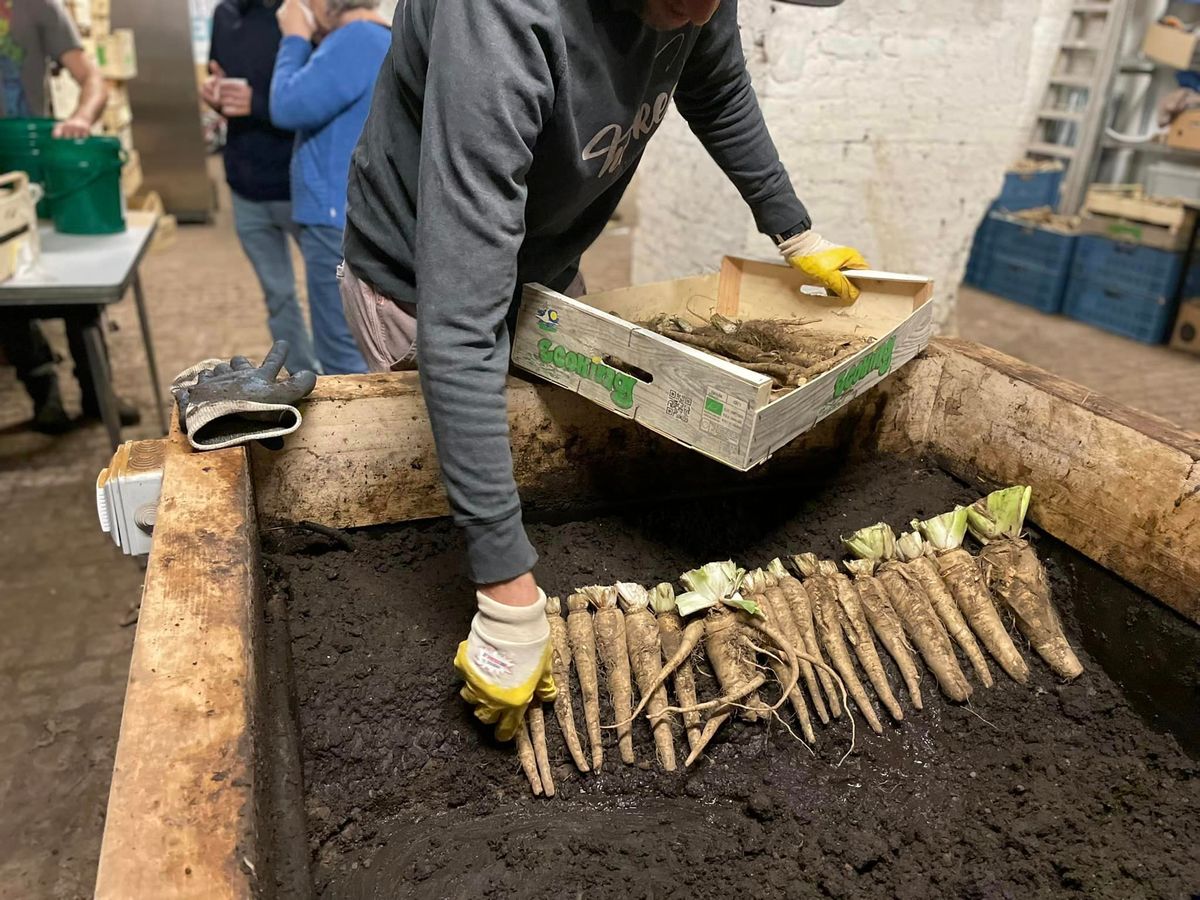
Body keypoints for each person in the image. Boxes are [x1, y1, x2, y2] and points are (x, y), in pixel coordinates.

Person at [339, 0, 869, 741]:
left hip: (545, 265)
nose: (701, 10)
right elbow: (459, 322)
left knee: (555, 455)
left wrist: (793, 228)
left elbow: (714, 85)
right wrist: (505, 595)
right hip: (419, 281)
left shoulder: (697, 1)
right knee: (438, 473)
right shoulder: (498, 15)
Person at [0, 0, 140, 434]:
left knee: (75, 278)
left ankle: (97, 392)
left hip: (37, 158)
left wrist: (82, 116)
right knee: (5, 288)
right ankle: (44, 393)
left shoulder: (39, 8)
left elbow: (91, 77)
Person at [269, 0, 389, 375]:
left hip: (334, 214)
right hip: (356, 209)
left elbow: (287, 106)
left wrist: (294, 38)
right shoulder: (379, 36)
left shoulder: (355, 39)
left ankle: (356, 433)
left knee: (341, 351)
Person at [202, 0, 319, 375]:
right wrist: (216, 96)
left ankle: (350, 380)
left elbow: (319, 101)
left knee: (335, 296)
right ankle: (308, 380)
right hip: (244, 183)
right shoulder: (224, 14)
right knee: (279, 296)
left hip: (302, 185)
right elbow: (224, 77)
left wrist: (256, 103)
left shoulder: (304, 12)